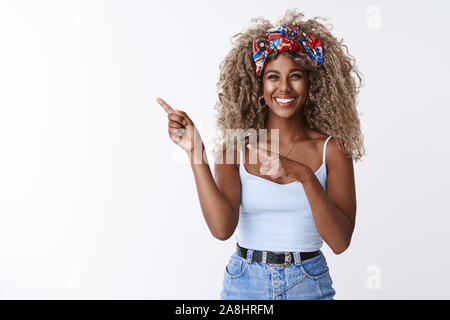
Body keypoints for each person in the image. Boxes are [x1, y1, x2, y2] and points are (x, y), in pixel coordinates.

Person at [156, 8, 365, 300]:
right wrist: (196, 153)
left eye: (295, 76)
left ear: (311, 83)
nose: (284, 87)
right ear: (259, 84)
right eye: (272, 77)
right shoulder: (236, 147)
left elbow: (340, 242)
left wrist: (303, 176)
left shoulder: (331, 149)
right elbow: (221, 229)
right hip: (244, 284)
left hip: (308, 283)